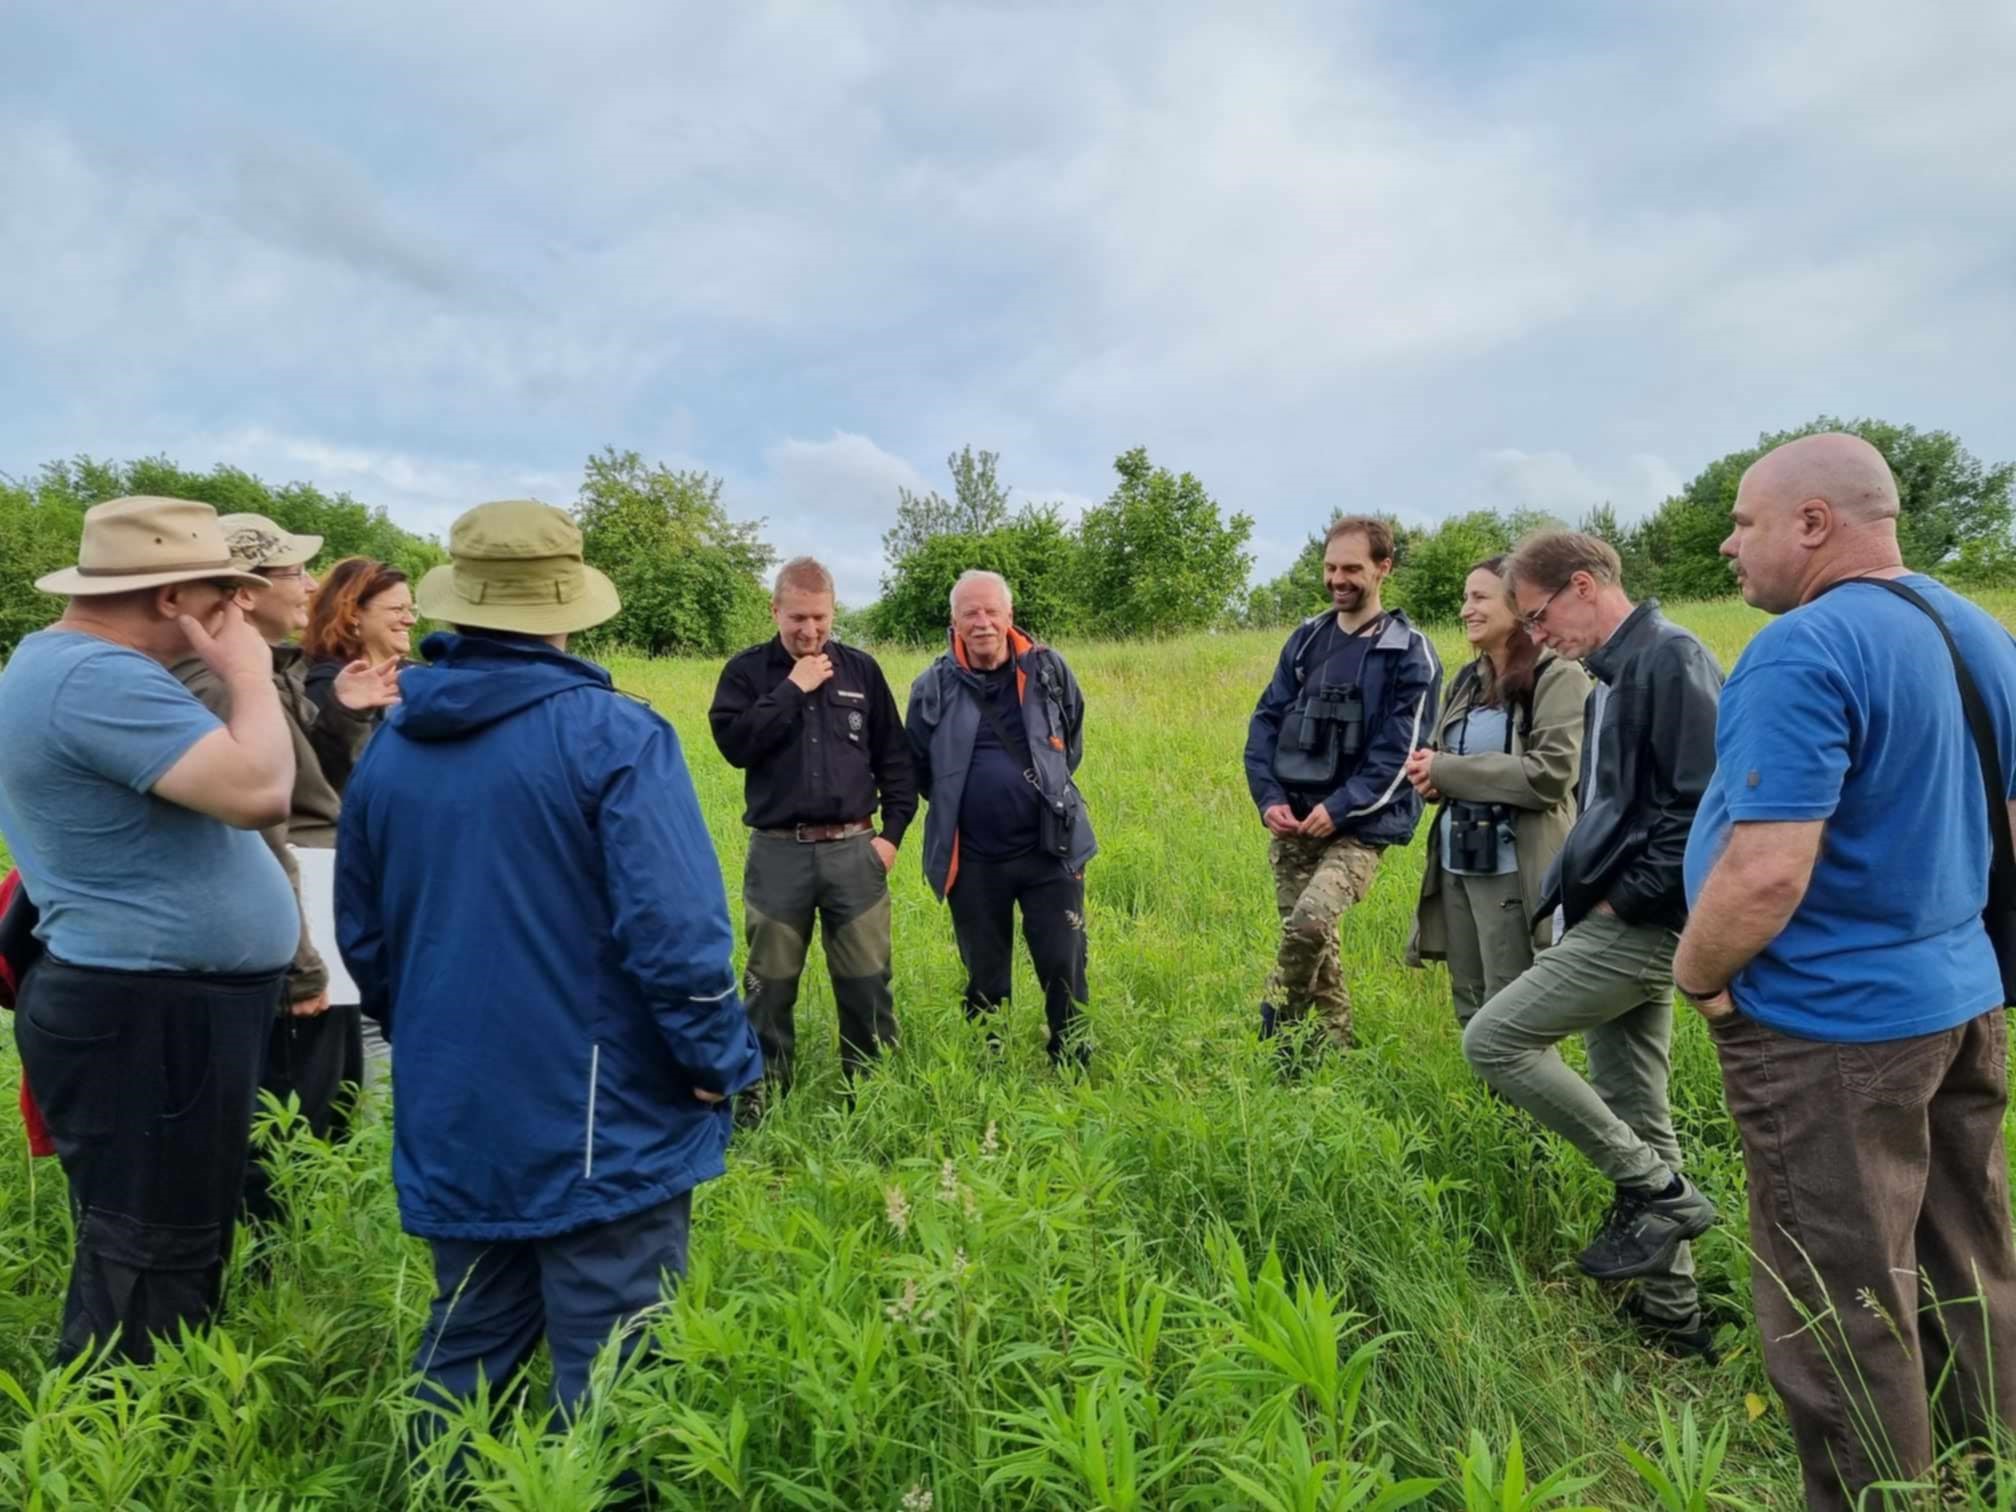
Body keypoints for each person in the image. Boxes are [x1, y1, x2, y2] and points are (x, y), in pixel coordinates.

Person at [335, 500, 761, 1457]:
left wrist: (440, 1044)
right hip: (602, 1119)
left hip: (457, 1106)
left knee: (468, 1342)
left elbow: (364, 940)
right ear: (564, 604)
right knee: (615, 1365)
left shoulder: (392, 749)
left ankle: (436, 1485)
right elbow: (680, 938)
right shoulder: (615, 736)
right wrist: (714, 1060)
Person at [1674, 433, 2016, 1507]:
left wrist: (1697, 977)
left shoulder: (1803, 648)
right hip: (1960, 1001)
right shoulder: (1978, 631)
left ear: (1813, 522)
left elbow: (1768, 869)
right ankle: (1987, 1467)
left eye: (1743, 521)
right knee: (1969, 1259)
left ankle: (1882, 1496)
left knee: (1841, 1298)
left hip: (1831, 1031)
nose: (1729, 544)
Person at [0, 495, 298, 1365]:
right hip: (149, 1007)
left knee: (162, 1231)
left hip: (154, 1000)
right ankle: (118, 1436)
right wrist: (249, 672)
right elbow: (258, 792)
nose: (235, 611)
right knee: (148, 1248)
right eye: (225, 593)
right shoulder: (96, 676)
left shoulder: (65, 665)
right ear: (173, 596)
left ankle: (152, 1411)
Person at [1463, 530, 1722, 1357]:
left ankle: (1658, 1192)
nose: (1537, 638)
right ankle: (1674, 1317)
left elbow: (1698, 811)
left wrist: (1620, 905)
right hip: (1613, 914)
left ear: (1584, 585)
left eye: (1538, 617)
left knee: (1494, 1039)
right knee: (1642, 1110)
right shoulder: (1621, 667)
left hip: (1635, 925)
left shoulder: (1669, 660)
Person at [171, 514, 400, 1218]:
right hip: (291, 910)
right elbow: (261, 823)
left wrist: (341, 713)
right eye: (293, 572)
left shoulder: (270, 675)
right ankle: (276, 1258)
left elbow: (307, 782)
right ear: (242, 592)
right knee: (299, 1107)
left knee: (329, 1094)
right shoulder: (221, 685)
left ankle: (294, 1246)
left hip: (307, 903)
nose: (310, 585)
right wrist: (301, 960)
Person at [707, 557, 916, 1109]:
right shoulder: (747, 673)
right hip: (779, 854)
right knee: (768, 984)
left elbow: (895, 760)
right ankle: (763, 1095)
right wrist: (793, 690)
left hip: (855, 850)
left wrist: (890, 837)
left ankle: (870, 1093)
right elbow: (734, 747)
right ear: (775, 610)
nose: (810, 630)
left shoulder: (861, 671)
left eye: (820, 618)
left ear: (833, 611)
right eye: (797, 617)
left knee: (868, 981)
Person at [1243, 516, 1441, 1054]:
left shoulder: (1409, 652)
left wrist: (1343, 806)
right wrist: (1269, 799)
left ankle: (1274, 1023)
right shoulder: (1307, 639)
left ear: (1384, 568)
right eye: (1330, 567)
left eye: (1352, 568)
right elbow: (1264, 722)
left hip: (1361, 828)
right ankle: (1335, 1055)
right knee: (1318, 948)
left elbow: (1402, 752)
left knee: (1308, 925)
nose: (1338, 579)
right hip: (1293, 820)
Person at [905, 570, 1095, 1065]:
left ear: (1010, 615)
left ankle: (1072, 1061)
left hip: (1048, 850)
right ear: (955, 620)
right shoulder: (933, 686)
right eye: (971, 612)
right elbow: (919, 766)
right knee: (985, 976)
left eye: (992, 611)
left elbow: (1069, 743)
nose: (983, 622)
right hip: (973, 859)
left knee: (1063, 964)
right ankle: (989, 1068)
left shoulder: (1048, 671)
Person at [1405, 556, 1588, 1025]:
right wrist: (1428, 775)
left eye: (1479, 597)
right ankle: (1486, 1100)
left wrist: (1446, 771)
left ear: (1516, 604)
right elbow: (1445, 759)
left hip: (1513, 869)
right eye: (1465, 598)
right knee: (1469, 1004)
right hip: (1457, 862)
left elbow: (1551, 774)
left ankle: (1519, 1101)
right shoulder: (1467, 680)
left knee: (1509, 1013)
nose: (1466, 609)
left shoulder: (1559, 675)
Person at [302, 557, 416, 715]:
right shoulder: (327, 684)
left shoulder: (419, 675)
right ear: (353, 613)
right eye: (397, 609)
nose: (410, 620)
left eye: (411, 610)